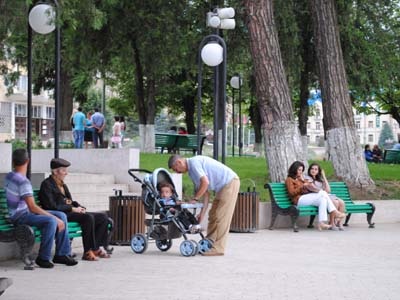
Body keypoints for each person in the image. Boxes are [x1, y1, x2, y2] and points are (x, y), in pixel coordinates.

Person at [4, 149, 78, 268]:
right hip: (20, 217)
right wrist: (54, 217)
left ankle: (62, 254)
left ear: (13, 162)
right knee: (51, 220)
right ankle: (43, 257)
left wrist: (56, 216)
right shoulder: (23, 181)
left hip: (22, 214)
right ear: (28, 161)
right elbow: (33, 208)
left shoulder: (10, 176)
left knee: (62, 215)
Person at [38, 158, 111, 261]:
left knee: (102, 217)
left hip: (69, 212)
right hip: (59, 215)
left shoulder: (62, 184)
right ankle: (87, 252)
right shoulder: (47, 184)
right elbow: (51, 206)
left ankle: (96, 248)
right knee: (88, 218)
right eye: (63, 170)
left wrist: (79, 207)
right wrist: (72, 209)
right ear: (55, 171)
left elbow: (70, 201)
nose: (66, 173)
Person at [168, 154, 240, 256]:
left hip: (229, 182)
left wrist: (195, 199)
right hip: (221, 187)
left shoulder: (194, 163)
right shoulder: (191, 173)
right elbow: (206, 193)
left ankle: (219, 248)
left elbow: (205, 182)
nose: (177, 172)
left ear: (179, 162)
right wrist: (202, 213)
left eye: (176, 169)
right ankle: (209, 241)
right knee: (213, 215)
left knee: (222, 216)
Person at [285, 161, 346, 231]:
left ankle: (321, 223)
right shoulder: (289, 179)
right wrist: (302, 187)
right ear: (294, 169)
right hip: (298, 200)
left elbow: (307, 187)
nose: (300, 172)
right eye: (299, 170)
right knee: (322, 193)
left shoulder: (299, 179)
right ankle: (335, 212)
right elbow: (291, 193)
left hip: (305, 198)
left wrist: (304, 183)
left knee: (323, 200)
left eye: (301, 170)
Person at [306, 163, 346, 230]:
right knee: (335, 202)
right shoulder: (308, 178)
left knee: (342, 202)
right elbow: (313, 189)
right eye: (312, 169)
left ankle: (339, 223)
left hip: (325, 195)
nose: (313, 170)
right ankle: (332, 223)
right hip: (317, 197)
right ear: (309, 170)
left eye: (316, 169)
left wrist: (324, 177)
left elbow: (328, 190)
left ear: (318, 171)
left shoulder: (320, 180)